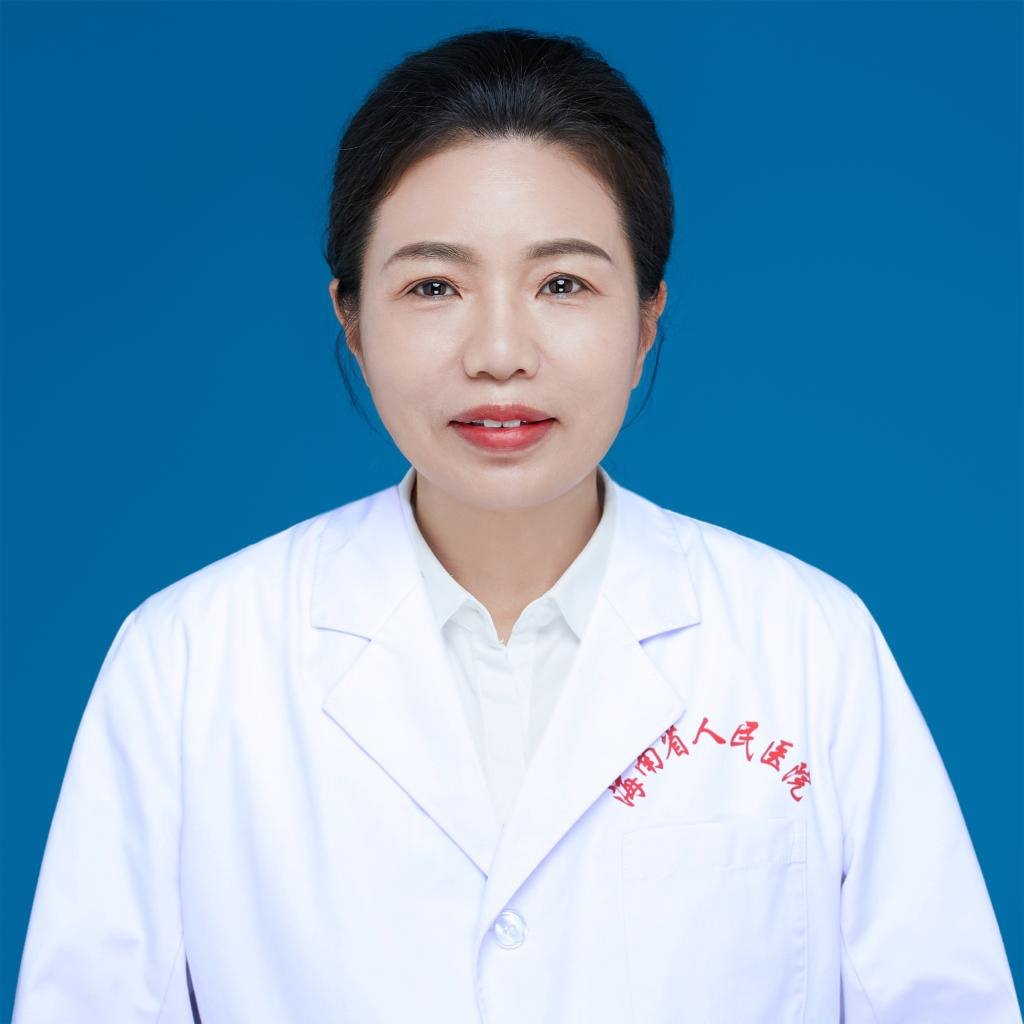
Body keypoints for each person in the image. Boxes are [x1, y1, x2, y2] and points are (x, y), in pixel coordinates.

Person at [11, 25, 1020, 1024]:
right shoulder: (187, 662)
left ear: (647, 318)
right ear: (352, 319)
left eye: (563, 283)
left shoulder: (807, 645)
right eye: (434, 286)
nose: (499, 351)